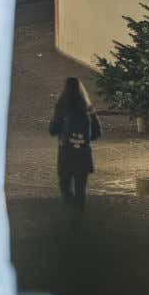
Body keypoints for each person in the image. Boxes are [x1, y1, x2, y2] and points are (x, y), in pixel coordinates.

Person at [48, 77, 101, 231]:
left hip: (66, 154)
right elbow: (97, 133)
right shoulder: (88, 108)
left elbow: (52, 130)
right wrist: (82, 139)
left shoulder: (62, 106)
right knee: (80, 188)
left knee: (65, 185)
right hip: (83, 154)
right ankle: (79, 217)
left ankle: (72, 210)